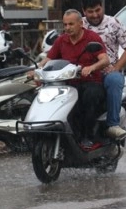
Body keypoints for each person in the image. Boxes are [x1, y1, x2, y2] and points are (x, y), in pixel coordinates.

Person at [33, 9, 110, 149]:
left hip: (90, 82)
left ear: (81, 23)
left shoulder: (92, 38)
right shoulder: (61, 40)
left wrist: (91, 68)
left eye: (71, 24)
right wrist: (37, 69)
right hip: (67, 84)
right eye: (65, 24)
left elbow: (104, 60)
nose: (67, 28)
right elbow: (49, 58)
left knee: (89, 97)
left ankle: (88, 136)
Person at [81, 0, 126, 139]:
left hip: (106, 71)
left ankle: (113, 125)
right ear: (84, 11)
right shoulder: (79, 24)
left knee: (114, 80)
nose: (95, 15)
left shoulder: (113, 23)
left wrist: (116, 67)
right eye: (90, 12)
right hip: (83, 72)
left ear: (102, 7)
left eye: (97, 10)